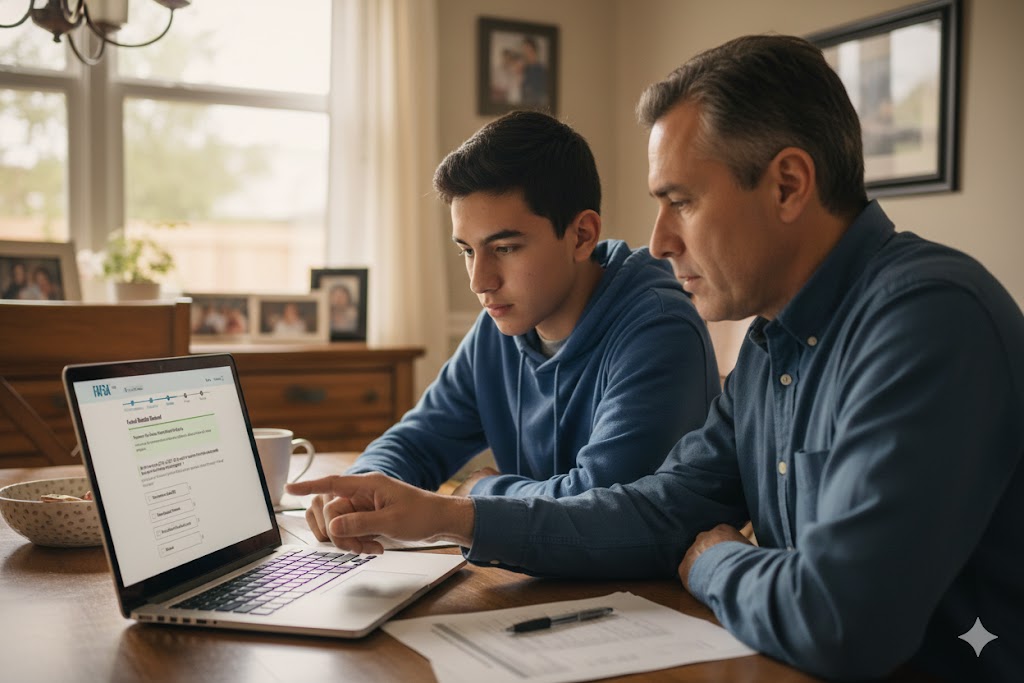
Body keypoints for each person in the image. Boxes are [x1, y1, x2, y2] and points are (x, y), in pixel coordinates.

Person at [289, 35, 1024, 681]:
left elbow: (841, 620)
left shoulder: (926, 319)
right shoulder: (774, 345)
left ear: (789, 185)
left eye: (682, 201)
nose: (661, 239)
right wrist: (455, 518)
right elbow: (658, 509)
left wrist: (713, 561)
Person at [342, 110, 719, 500]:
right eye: (468, 251)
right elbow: (417, 440)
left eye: (504, 248)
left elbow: (600, 505)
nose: (479, 282)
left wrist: (479, 490)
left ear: (581, 236)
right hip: (525, 562)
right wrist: (359, 489)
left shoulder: (659, 330)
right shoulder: (500, 325)